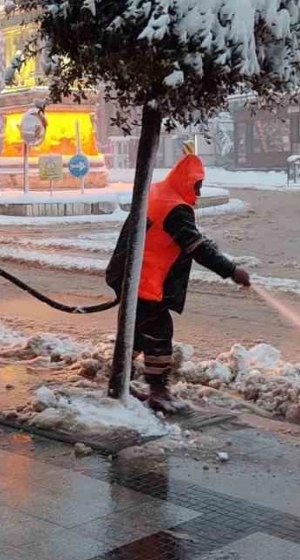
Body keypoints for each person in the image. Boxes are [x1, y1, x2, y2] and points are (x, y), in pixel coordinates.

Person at [106, 152, 251, 413]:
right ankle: (158, 391)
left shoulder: (158, 191)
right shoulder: (176, 209)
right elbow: (196, 248)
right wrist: (232, 270)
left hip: (128, 273)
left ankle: (119, 382)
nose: (198, 190)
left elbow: (182, 237)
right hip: (146, 279)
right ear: (186, 181)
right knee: (159, 335)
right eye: (197, 185)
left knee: (136, 333)